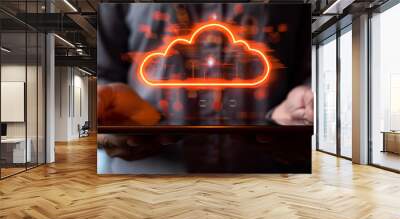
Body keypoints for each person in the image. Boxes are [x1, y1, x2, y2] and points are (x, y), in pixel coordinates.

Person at [97, 4, 313, 165]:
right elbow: (103, 72)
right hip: (149, 182)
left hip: (272, 179)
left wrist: (309, 102)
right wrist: (107, 109)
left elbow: (315, 62)